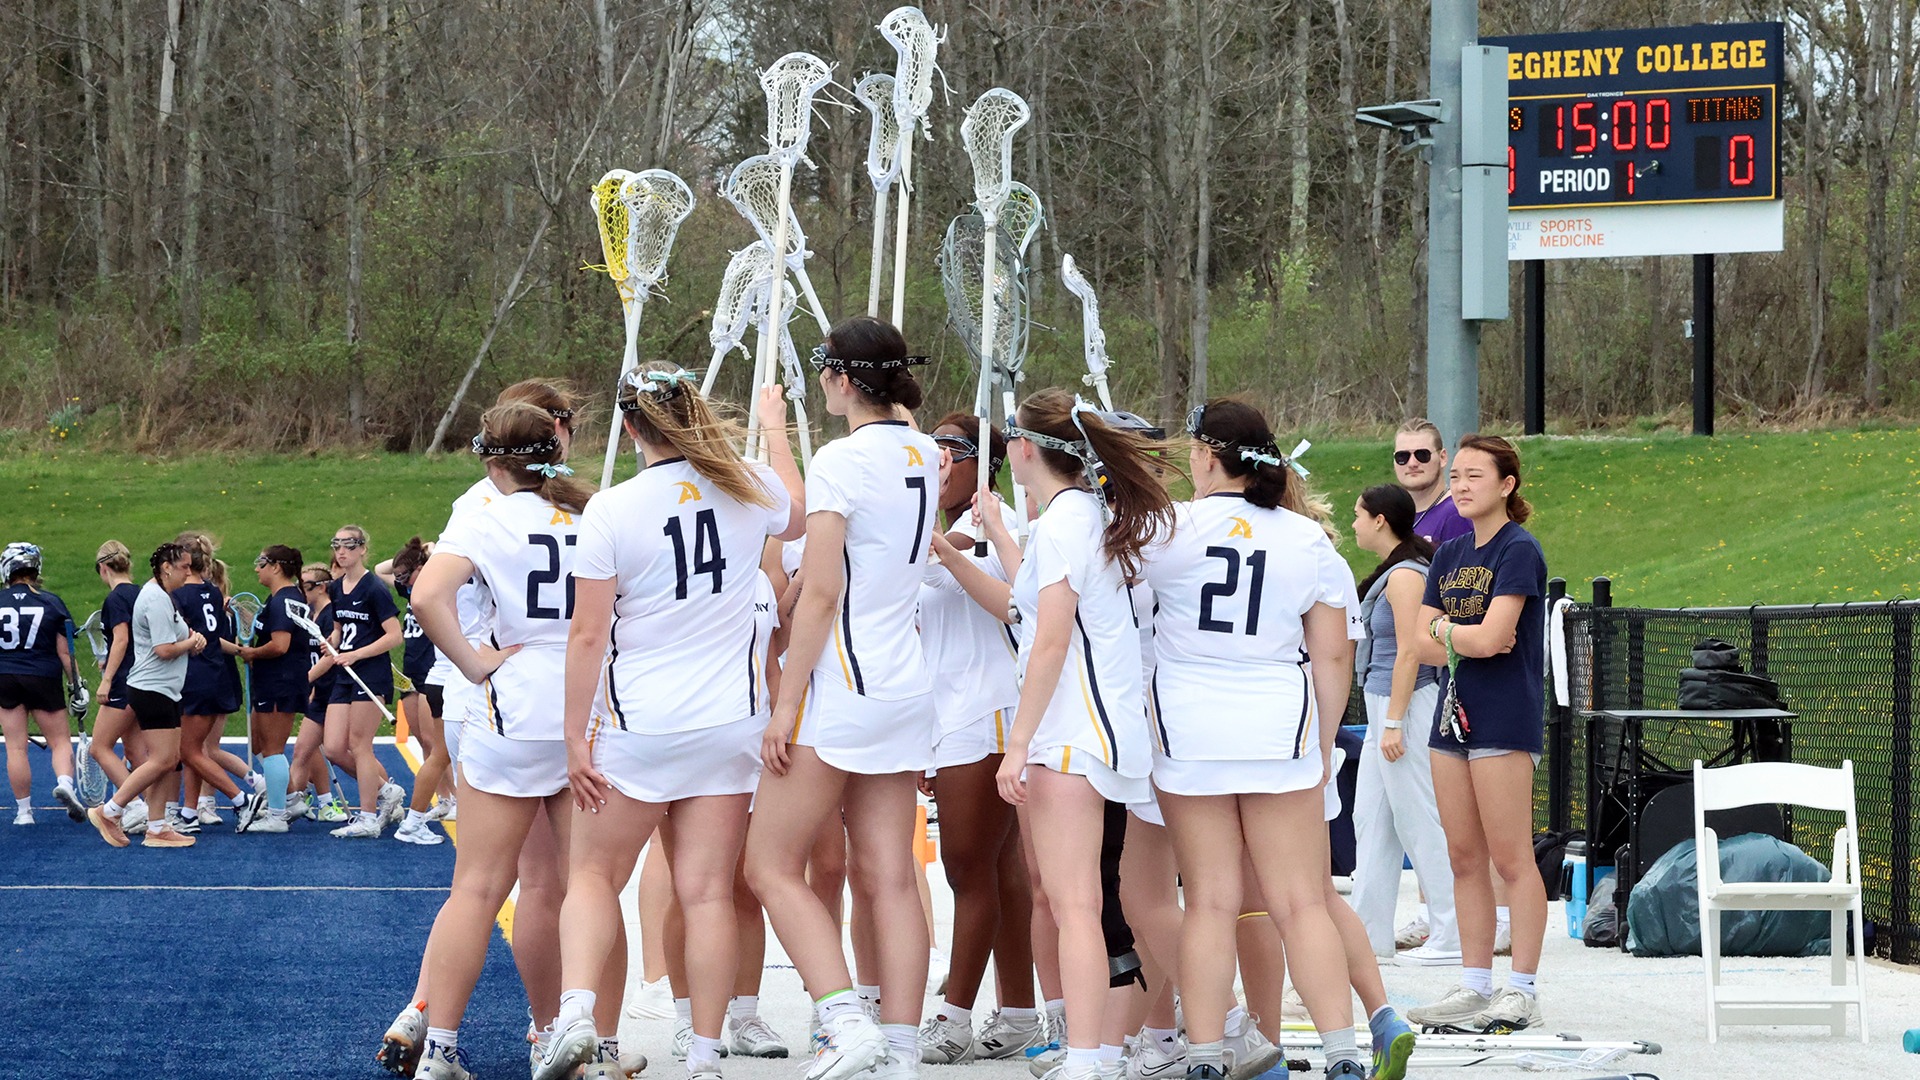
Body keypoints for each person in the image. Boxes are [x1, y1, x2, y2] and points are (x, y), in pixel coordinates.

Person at [538, 367, 804, 1080]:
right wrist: (775, 430)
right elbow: (799, 516)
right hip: (728, 723)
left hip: (642, 724)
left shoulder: (614, 508)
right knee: (709, 892)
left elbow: (588, 635)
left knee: (593, 875)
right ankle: (707, 1054)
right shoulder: (747, 484)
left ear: (631, 429)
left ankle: (574, 1014)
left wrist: (572, 735)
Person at [930, 388, 1173, 1080]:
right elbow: (1023, 610)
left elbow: (1049, 643)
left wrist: (1018, 744)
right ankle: (1099, 1050)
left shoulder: (1068, 521)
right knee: (1088, 904)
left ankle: (1092, 1057)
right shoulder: (1080, 516)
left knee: (1075, 906)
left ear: (1025, 449)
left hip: (1075, 735)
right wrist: (971, 550)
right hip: (1109, 733)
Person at [1144, 400, 1368, 1080]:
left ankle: (1208, 1056)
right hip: (1278, 722)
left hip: (1189, 724)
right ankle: (1341, 1056)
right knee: (1302, 902)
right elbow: (1333, 657)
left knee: (1209, 899)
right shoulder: (1307, 540)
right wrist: (1322, 743)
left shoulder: (1167, 529)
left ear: (1211, 456)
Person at [744, 316, 940, 1080]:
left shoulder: (843, 459)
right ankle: (900, 1046)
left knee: (769, 864)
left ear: (837, 378)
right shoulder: (923, 449)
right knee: (890, 873)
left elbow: (820, 590)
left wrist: (786, 705)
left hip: (847, 682)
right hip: (904, 680)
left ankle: (841, 1015)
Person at [408, 401, 599, 1080]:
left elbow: (427, 597)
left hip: (512, 705)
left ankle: (440, 1048)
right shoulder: (593, 513)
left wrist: (472, 661)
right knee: (585, 889)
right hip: (586, 706)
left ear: (492, 461)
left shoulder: (487, 519)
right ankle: (578, 1043)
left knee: (478, 888)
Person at [1402, 435, 1549, 1036]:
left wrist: (1448, 630)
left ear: (1507, 484)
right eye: (1456, 476)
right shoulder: (1448, 552)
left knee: (1512, 856)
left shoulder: (1518, 550)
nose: (1461, 486)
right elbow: (1419, 640)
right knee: (1462, 857)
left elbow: (1495, 640)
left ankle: (1522, 989)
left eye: (1474, 476)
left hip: (1504, 714)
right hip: (1451, 715)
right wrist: (1461, 631)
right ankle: (1474, 983)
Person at [914, 415, 1042, 1065]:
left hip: (988, 710)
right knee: (997, 869)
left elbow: (990, 592)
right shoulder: (937, 527)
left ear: (981, 464)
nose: (937, 462)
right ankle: (1019, 1009)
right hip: (946, 714)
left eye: (951, 452)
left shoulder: (998, 529)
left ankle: (954, 1015)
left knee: (967, 866)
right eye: (929, 450)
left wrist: (944, 536)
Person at [1346, 485, 1460, 966]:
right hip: (1383, 707)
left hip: (1406, 706)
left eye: (1357, 515)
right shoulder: (1394, 571)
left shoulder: (1405, 576)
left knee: (1420, 819)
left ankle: (1453, 933)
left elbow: (1414, 650)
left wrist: (1394, 721)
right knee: (1371, 820)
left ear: (1379, 520)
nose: (1352, 524)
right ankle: (1367, 938)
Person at [85, 542, 206, 848]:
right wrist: (189, 644)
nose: (189, 572)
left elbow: (172, 638)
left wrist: (193, 639)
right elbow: (163, 650)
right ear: (167, 567)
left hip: (163, 688)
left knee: (168, 759)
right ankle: (111, 811)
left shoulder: (162, 596)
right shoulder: (153, 597)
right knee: (163, 758)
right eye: (184, 567)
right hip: (152, 688)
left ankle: (157, 826)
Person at [324, 524, 407, 838]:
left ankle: (368, 817)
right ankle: (387, 790)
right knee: (333, 747)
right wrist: (332, 642)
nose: (342, 551)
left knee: (360, 746)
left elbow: (394, 636)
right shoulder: (335, 588)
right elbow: (338, 628)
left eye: (349, 545)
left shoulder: (374, 588)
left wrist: (357, 654)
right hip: (345, 674)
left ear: (362, 549)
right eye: (337, 545)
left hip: (370, 673)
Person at [171, 537, 256, 831]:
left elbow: (178, 638)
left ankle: (240, 799)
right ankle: (190, 813)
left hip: (193, 676)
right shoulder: (211, 590)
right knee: (195, 748)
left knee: (188, 751)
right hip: (215, 673)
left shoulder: (179, 595)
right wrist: (242, 652)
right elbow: (218, 638)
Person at [0, 543, 84, 824]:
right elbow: (65, 652)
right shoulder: (51, 602)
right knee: (60, 741)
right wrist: (76, 685)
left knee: (15, 747)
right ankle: (65, 784)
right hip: (43, 676)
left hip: (6, 677)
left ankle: (24, 812)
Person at [236, 544, 308, 833]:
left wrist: (251, 654)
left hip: (280, 681)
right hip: (279, 680)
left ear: (277, 566)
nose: (257, 568)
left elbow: (280, 645)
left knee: (273, 749)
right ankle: (289, 798)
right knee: (261, 743)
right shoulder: (283, 598)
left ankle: (277, 816)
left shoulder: (282, 601)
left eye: (261, 562)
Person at [383, 537, 450, 845]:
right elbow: (380, 569)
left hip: (431, 669)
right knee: (424, 741)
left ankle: (448, 799)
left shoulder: (438, 587)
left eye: (406, 576)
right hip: (412, 670)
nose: (401, 583)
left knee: (436, 744)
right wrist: (417, 551)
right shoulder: (412, 588)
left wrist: (431, 557)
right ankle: (445, 798)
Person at [91, 541, 151, 833]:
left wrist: (106, 678)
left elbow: (121, 639)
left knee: (99, 746)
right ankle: (156, 811)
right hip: (146, 679)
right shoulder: (143, 593)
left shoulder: (115, 599)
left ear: (103, 568)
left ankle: (135, 805)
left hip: (125, 681)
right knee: (137, 751)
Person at [287, 563, 346, 823]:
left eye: (306, 586)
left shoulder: (330, 615)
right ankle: (305, 802)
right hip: (318, 693)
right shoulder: (310, 613)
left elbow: (331, 657)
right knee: (304, 751)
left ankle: (384, 789)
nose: (301, 590)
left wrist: (305, 681)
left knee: (342, 754)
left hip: (333, 692)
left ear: (321, 587)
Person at [1393, 419, 1470, 548]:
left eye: (1422, 455)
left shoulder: (1456, 515)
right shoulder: (1397, 517)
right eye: (1402, 457)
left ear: (1443, 457)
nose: (1412, 463)